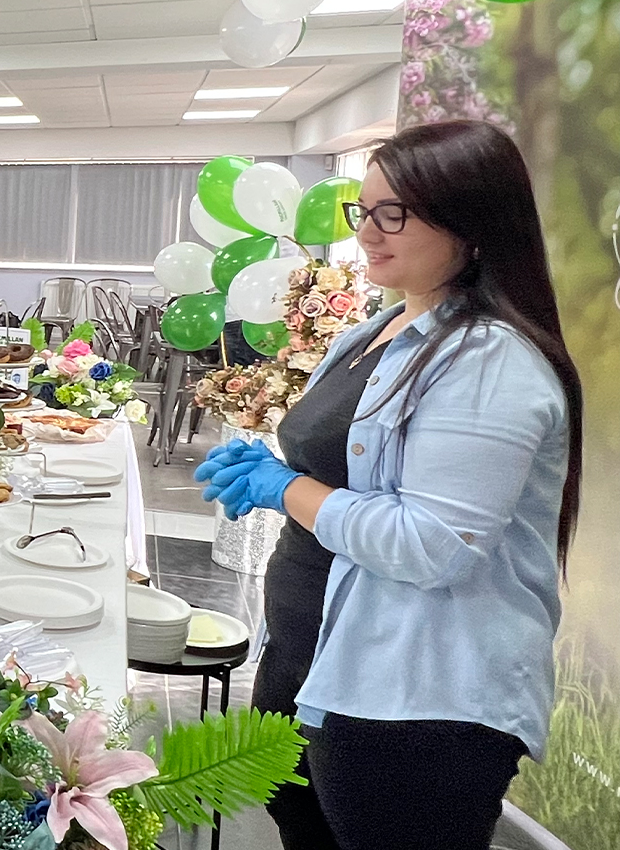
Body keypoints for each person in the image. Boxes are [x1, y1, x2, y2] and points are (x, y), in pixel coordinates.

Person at [195, 120, 582, 850]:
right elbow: (343, 465)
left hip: (412, 696)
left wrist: (284, 491)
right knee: (303, 827)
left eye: (395, 214)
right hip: (317, 657)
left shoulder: (489, 360)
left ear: (471, 222)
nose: (370, 232)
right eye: (363, 212)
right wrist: (277, 471)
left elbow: (432, 545)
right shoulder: (379, 329)